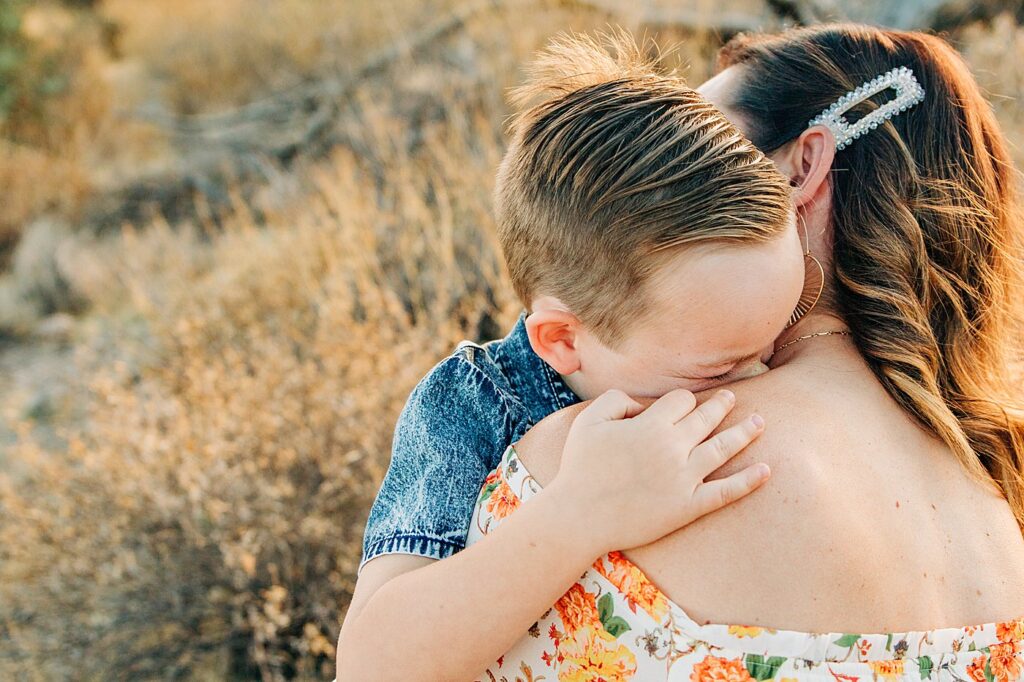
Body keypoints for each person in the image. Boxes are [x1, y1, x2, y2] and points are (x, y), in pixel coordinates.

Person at [475, 23, 1024, 680]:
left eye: (707, 142)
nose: (673, 165)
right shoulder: (995, 510)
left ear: (802, 168)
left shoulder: (617, 455)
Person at [336, 33, 808, 679]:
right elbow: (372, 666)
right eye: (721, 369)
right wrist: (581, 513)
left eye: (777, 338)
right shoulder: (475, 406)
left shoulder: (693, 326)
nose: (762, 378)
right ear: (563, 340)